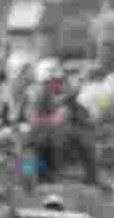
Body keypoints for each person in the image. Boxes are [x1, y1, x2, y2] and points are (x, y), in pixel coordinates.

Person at [22, 57, 99, 185]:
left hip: (52, 135)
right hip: (38, 136)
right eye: (56, 81)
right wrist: (53, 120)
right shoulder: (36, 94)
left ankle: (91, 178)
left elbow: (81, 117)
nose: (59, 84)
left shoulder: (60, 95)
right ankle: (29, 179)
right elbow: (33, 119)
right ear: (45, 81)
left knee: (83, 138)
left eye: (60, 81)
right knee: (29, 145)